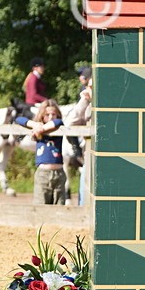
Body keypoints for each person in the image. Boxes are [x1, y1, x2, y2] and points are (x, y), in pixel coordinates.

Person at [16, 100, 66, 205]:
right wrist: (35, 125)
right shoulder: (37, 126)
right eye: (47, 115)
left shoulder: (58, 127)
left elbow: (58, 122)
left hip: (59, 173)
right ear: (42, 116)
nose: (51, 117)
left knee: (60, 205)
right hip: (43, 174)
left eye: (53, 114)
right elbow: (19, 119)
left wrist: (41, 129)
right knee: (41, 205)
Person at [63, 67, 93, 206]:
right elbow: (69, 123)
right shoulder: (85, 100)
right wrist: (84, 101)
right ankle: (75, 149)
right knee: (83, 200)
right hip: (88, 158)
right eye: (90, 86)